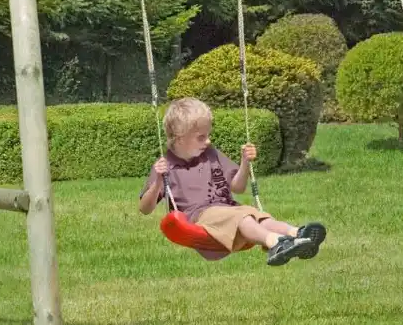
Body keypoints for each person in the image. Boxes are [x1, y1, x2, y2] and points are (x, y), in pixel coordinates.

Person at [139, 97, 325, 265]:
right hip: (200, 217)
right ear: (179, 138)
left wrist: (244, 163)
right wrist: (157, 183)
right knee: (243, 217)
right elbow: (145, 209)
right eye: (201, 137)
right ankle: (275, 243)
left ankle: (298, 235)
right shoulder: (166, 166)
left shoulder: (211, 155)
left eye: (208, 134)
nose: (208, 141)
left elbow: (238, 187)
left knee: (258, 216)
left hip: (229, 210)